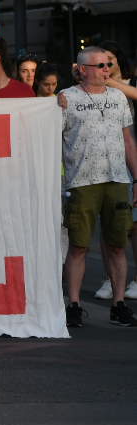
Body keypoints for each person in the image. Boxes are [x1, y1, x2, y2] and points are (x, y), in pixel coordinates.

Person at [60, 47, 137, 328]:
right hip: (82, 181)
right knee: (79, 245)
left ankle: (119, 304)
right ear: (82, 69)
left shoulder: (118, 98)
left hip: (117, 179)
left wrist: (136, 178)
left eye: (108, 65)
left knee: (117, 244)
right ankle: (75, 305)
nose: (107, 70)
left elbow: (128, 140)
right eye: (100, 65)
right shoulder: (67, 98)